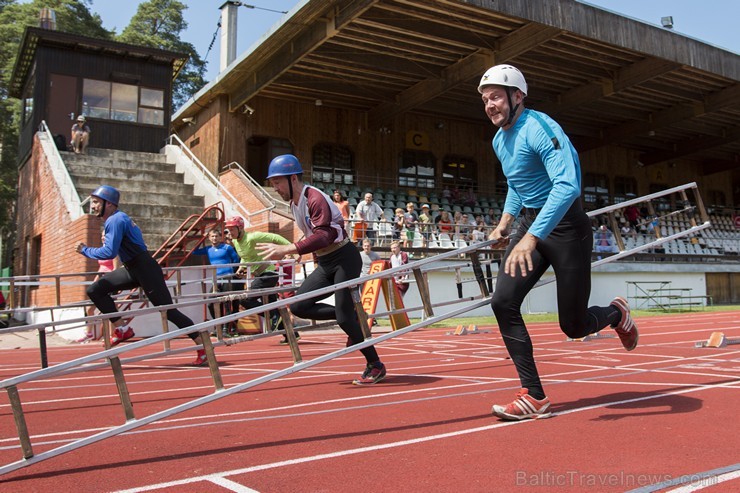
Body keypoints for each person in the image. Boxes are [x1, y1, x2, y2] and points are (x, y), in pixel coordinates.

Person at [479, 64, 638, 420]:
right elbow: (518, 185)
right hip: (529, 223)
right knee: (503, 302)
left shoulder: (541, 128)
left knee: (574, 326)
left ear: (517, 96)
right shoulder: (498, 139)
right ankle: (534, 395)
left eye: (496, 97)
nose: (490, 105)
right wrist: (505, 224)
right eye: (486, 99)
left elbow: (567, 185)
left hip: (566, 227)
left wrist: (531, 238)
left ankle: (617, 314)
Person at [257, 154, 387, 385]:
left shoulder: (314, 198)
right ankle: (354, 315)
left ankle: (375, 365)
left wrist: (289, 249)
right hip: (326, 262)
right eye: (272, 182)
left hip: (344, 258)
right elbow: (311, 233)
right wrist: (300, 252)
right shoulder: (293, 203)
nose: (274, 187)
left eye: (277, 182)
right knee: (299, 306)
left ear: (293, 178)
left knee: (344, 319)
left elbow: (325, 234)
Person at [75, 185, 210, 366]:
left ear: (109, 204)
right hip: (133, 268)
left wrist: (85, 250)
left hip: (145, 268)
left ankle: (203, 346)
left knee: (168, 311)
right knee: (96, 290)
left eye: (96, 202)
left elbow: (108, 252)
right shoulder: (116, 219)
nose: (93, 206)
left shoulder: (116, 220)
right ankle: (122, 328)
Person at [224, 216, 296, 343]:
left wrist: (292, 249)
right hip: (259, 275)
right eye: (228, 230)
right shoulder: (236, 242)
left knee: (245, 300)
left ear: (240, 227)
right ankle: (291, 334)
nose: (230, 233)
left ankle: (274, 315)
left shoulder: (252, 237)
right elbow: (246, 257)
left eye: (232, 229)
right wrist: (241, 268)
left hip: (269, 274)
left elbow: (275, 238)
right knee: (273, 307)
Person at [192, 228, 241, 337]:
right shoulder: (208, 249)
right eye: (212, 236)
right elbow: (194, 251)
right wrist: (202, 238)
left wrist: (232, 272)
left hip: (227, 277)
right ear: (209, 238)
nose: (214, 238)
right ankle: (217, 325)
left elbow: (236, 260)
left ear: (220, 237)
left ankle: (225, 330)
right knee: (210, 304)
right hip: (216, 279)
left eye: (216, 236)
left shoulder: (227, 247)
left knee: (227, 304)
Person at [78, 231, 115, 343]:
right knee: (89, 309)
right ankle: (89, 333)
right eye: (102, 235)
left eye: (105, 235)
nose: (103, 237)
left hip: (110, 282)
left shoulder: (113, 249)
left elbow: (115, 268)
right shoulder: (102, 250)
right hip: (101, 280)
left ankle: (111, 335)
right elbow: (101, 268)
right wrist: (95, 282)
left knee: (110, 310)